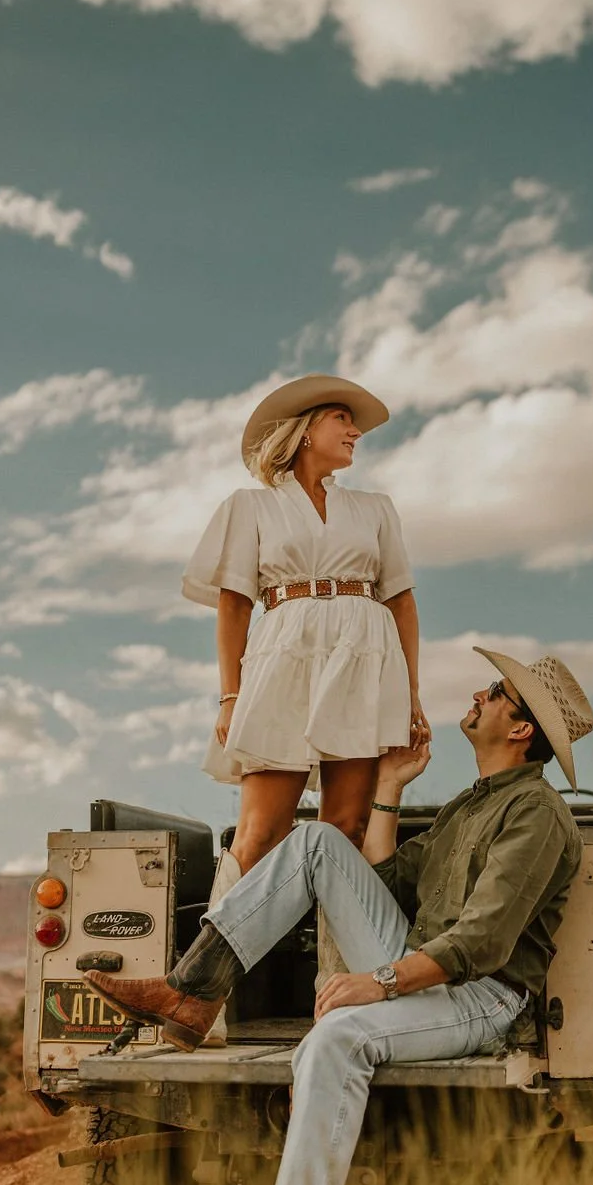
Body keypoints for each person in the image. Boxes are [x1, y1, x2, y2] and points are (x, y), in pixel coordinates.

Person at [85, 646, 593, 1185]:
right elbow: (382, 882)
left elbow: (481, 942)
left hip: (480, 996)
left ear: (519, 728)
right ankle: (192, 994)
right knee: (319, 842)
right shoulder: (470, 806)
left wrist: (375, 983)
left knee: (334, 1036)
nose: (479, 695)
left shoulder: (535, 813)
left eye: (495, 692)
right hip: (418, 962)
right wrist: (389, 787)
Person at [181, 373, 431, 1035]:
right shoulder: (251, 506)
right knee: (259, 834)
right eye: (343, 419)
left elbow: (401, 600)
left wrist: (409, 693)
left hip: (362, 661)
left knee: (344, 834)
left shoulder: (376, 509)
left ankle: (338, 1005)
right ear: (304, 429)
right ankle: (205, 1000)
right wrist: (231, 693)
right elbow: (235, 603)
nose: (355, 433)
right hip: (283, 657)